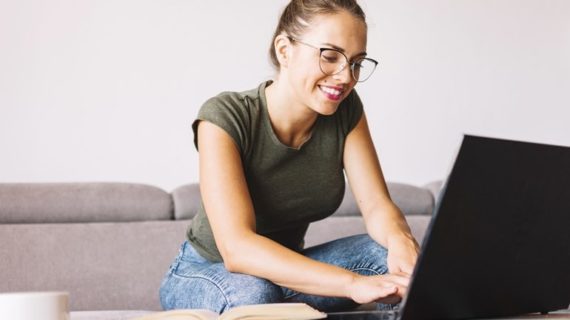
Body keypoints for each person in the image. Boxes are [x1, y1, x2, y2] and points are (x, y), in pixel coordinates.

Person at [159, 0, 419, 313]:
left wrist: (401, 241)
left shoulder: (345, 110)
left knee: (387, 260)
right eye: (330, 56)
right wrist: (352, 284)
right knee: (254, 293)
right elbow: (237, 248)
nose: (345, 77)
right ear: (285, 50)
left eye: (356, 63)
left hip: (288, 274)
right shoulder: (224, 116)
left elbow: (377, 205)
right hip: (207, 272)